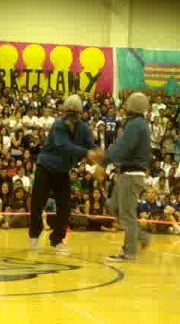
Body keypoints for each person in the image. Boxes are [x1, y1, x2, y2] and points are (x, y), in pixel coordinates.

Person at [29, 94, 99, 253]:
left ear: (80, 113)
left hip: (62, 171)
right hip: (45, 167)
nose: (71, 116)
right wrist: (87, 153)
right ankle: (34, 234)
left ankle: (57, 240)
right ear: (64, 111)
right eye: (69, 112)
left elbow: (92, 147)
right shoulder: (58, 125)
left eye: (75, 113)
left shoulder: (84, 129)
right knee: (37, 203)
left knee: (65, 207)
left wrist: (98, 156)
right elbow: (63, 145)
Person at [103, 92, 152, 262]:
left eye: (128, 102)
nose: (125, 105)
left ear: (134, 106)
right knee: (114, 206)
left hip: (131, 175)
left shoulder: (136, 125)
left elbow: (123, 148)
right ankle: (142, 237)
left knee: (127, 215)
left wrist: (104, 160)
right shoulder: (136, 123)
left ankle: (129, 252)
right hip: (127, 174)